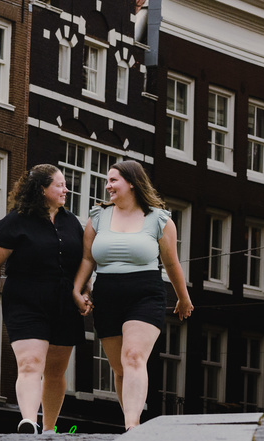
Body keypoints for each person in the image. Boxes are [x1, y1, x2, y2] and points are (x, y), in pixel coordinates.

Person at [72, 161, 193, 430]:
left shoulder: (159, 220)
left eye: (113, 180)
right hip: (107, 296)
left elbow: (172, 263)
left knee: (134, 356)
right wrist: (77, 288)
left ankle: (132, 427)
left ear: (132, 183)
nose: (108, 186)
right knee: (120, 369)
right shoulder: (98, 217)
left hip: (145, 294)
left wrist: (183, 298)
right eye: (108, 180)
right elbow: (87, 258)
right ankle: (132, 424)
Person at [0, 164, 85, 434]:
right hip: (26, 301)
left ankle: (49, 429)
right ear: (42, 190)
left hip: (64, 305)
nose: (66, 189)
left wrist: (84, 292)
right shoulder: (14, 222)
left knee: (54, 372)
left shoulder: (72, 222)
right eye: (60, 185)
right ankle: (28, 421)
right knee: (30, 363)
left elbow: (84, 264)